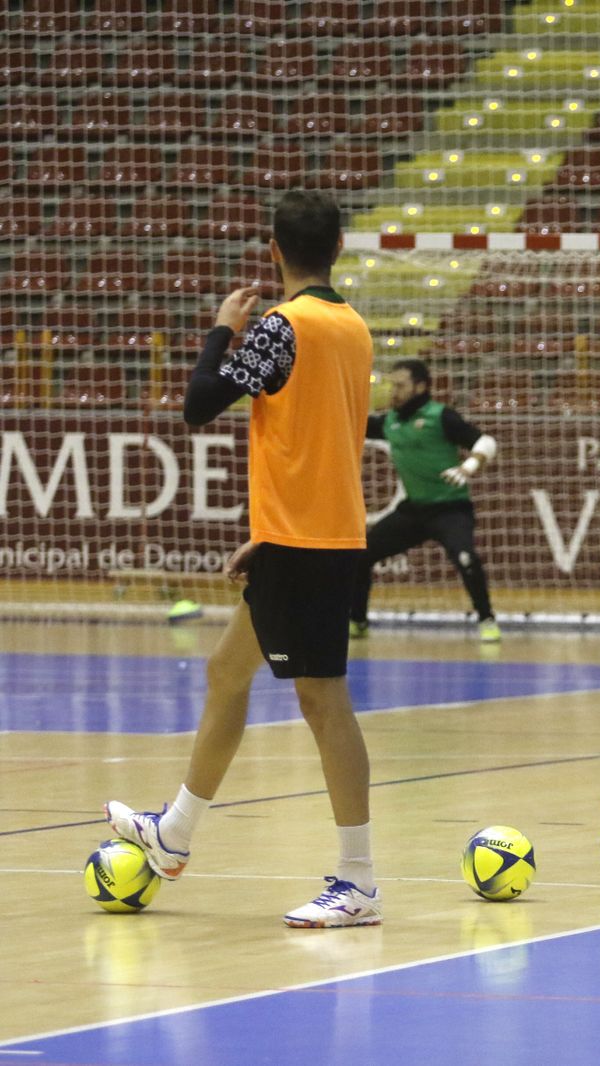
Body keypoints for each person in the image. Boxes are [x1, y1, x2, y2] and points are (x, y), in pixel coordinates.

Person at [105, 191, 381, 928]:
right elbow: (316, 434)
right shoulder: (353, 324)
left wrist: (220, 332)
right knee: (227, 672)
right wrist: (271, 526)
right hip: (307, 533)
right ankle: (175, 834)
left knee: (323, 704)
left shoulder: (282, 326)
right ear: (339, 249)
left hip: (309, 542)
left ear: (272, 249)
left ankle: (358, 883)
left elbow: (199, 404)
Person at [350, 358, 501, 643]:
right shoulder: (390, 422)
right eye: (391, 385)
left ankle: (486, 619)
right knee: (361, 556)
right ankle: (357, 621)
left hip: (450, 509)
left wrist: (468, 467)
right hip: (413, 511)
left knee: (467, 560)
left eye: (400, 385)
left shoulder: (441, 416)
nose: (394, 391)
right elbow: (349, 422)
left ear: (420, 387)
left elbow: (486, 442)